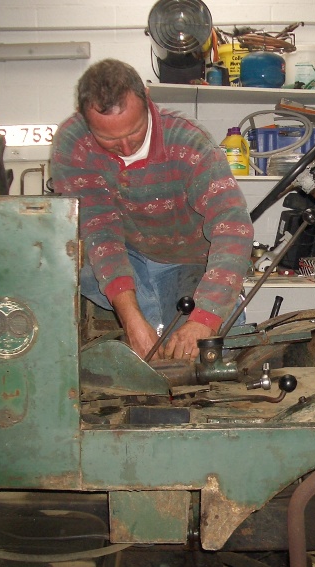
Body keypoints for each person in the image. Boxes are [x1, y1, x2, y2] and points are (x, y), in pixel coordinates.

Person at [51, 59, 253, 361]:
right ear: (84, 118)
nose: (126, 147)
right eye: (108, 138)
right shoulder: (74, 143)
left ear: (147, 99)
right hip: (125, 253)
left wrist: (204, 318)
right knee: (61, 260)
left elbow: (232, 226)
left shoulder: (188, 142)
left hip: (187, 257)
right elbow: (100, 231)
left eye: (133, 131)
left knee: (211, 349)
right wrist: (131, 320)